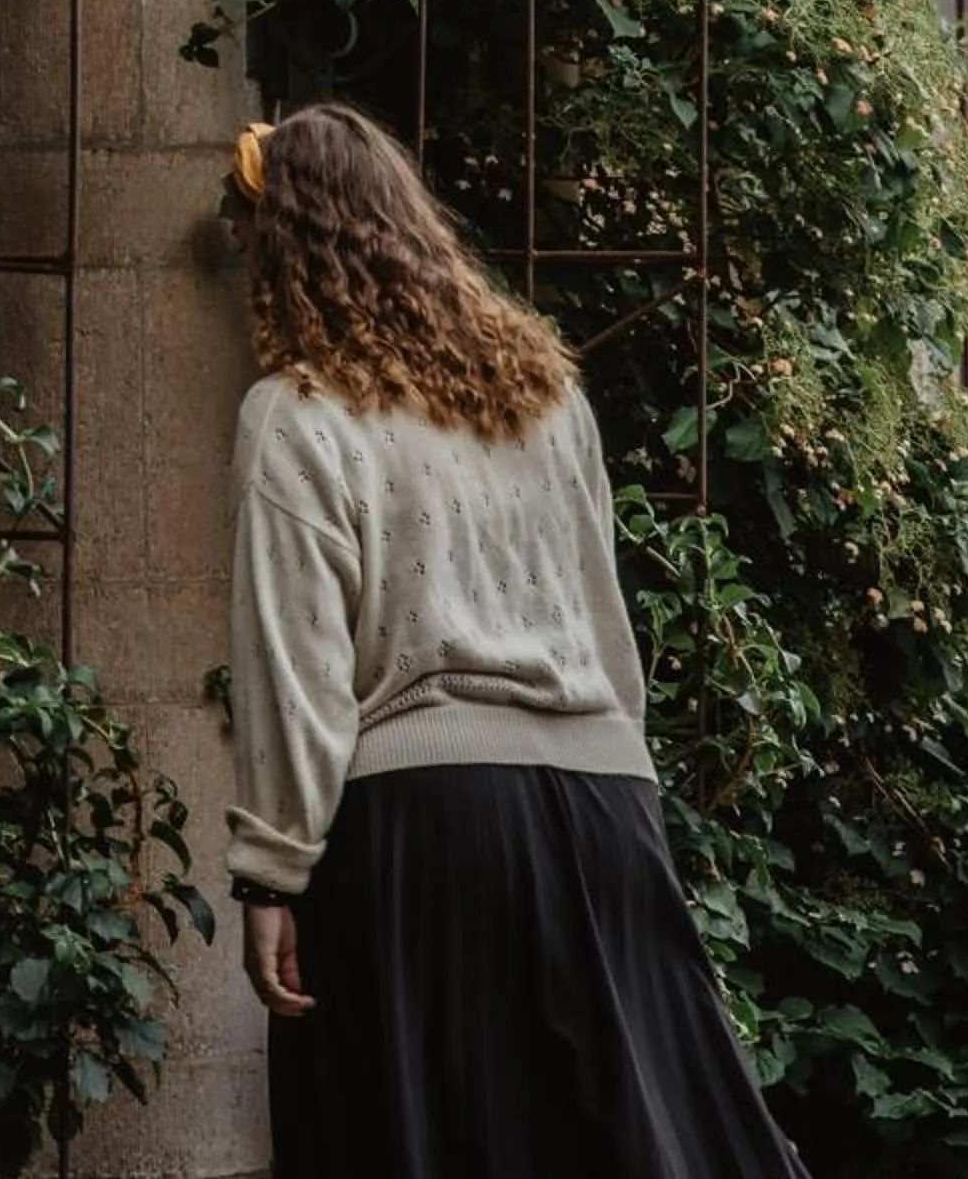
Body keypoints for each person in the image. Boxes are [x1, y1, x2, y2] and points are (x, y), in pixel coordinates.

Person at [220, 100, 807, 1179]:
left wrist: (271, 873)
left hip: (421, 830)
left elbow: (294, 666)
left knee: (412, 1140)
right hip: (602, 807)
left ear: (277, 254)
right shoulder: (545, 393)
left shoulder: (295, 414)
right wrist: (623, 796)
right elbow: (602, 618)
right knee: (633, 1144)